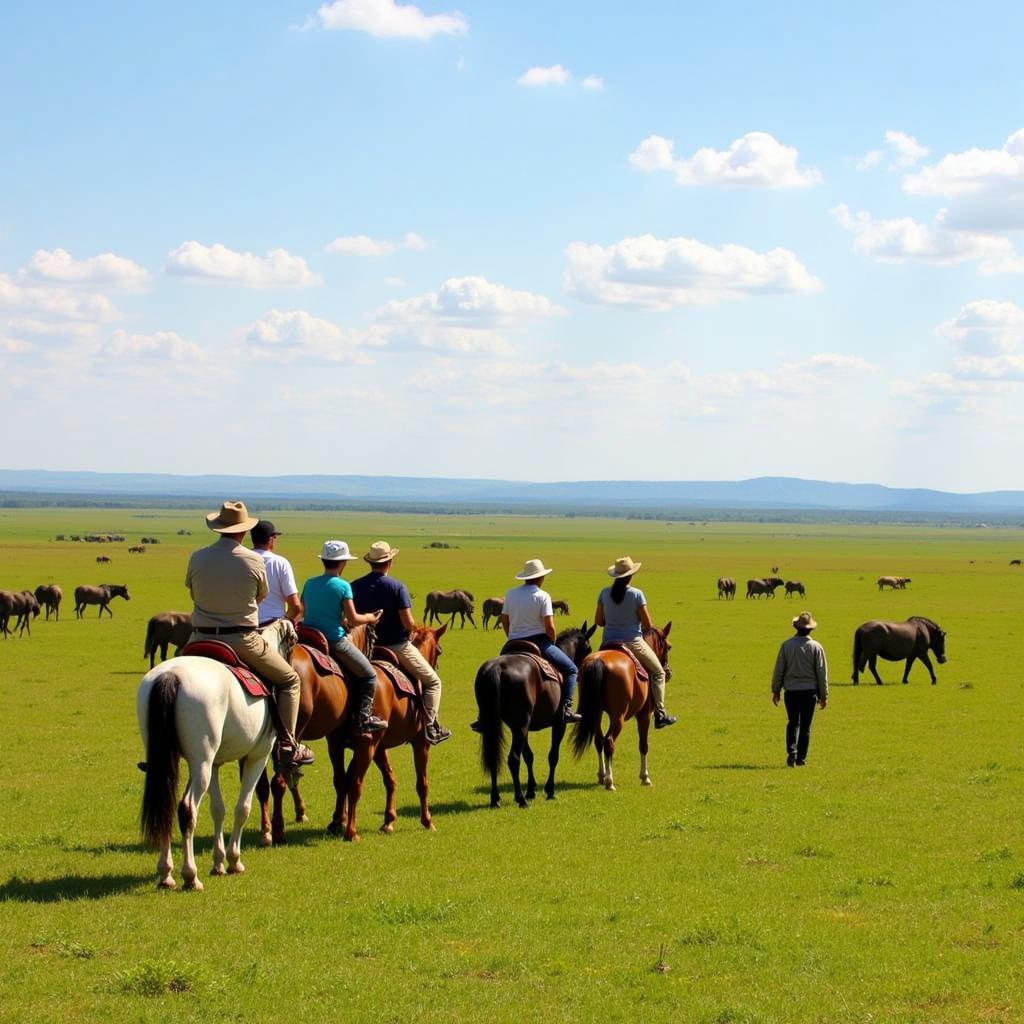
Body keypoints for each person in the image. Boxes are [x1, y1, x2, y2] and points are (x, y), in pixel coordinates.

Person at [185, 500, 314, 770]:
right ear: (244, 531)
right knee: (290, 680)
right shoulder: (254, 560)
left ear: (218, 528)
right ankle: (288, 745)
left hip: (198, 638)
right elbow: (260, 596)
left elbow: (194, 594)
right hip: (242, 640)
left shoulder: (197, 557)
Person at [351, 540, 452, 745]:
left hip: (363, 649)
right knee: (433, 682)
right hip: (395, 646)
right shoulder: (397, 587)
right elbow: (408, 623)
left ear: (371, 562)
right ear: (390, 562)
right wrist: (413, 630)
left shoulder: (354, 585)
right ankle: (430, 726)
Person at [471, 558, 581, 731]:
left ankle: (483, 717)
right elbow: (550, 626)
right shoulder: (543, 596)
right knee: (572, 669)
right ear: (540, 578)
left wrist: (512, 637)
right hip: (539, 641)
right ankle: (566, 709)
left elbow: (504, 620)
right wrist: (550, 643)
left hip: (513, 642)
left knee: (493, 671)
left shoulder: (510, 594)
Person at [301, 540, 386, 733]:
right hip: (333, 640)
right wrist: (371, 618)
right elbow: (353, 619)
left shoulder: (310, 582)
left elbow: (303, 611)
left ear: (323, 560)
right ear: (343, 563)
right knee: (370, 675)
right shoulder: (343, 586)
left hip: (307, 636)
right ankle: (364, 719)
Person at [593, 555, 677, 729]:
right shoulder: (637, 594)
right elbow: (647, 625)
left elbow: (599, 621)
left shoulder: (604, 593)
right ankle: (660, 713)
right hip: (633, 642)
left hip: (607, 642)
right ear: (631, 575)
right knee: (659, 672)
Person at [771, 610, 829, 766]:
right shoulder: (816, 647)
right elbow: (821, 673)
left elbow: (779, 670)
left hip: (791, 691)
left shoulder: (786, 646)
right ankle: (801, 758)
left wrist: (776, 690)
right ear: (810, 629)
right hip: (810, 692)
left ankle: (792, 750)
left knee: (792, 722)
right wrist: (824, 695)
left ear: (796, 627)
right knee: (805, 726)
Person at [252, 519, 302, 627]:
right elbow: (295, 606)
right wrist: (283, 624)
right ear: (271, 539)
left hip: (244, 626)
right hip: (272, 626)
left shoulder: (242, 559)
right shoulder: (280, 563)